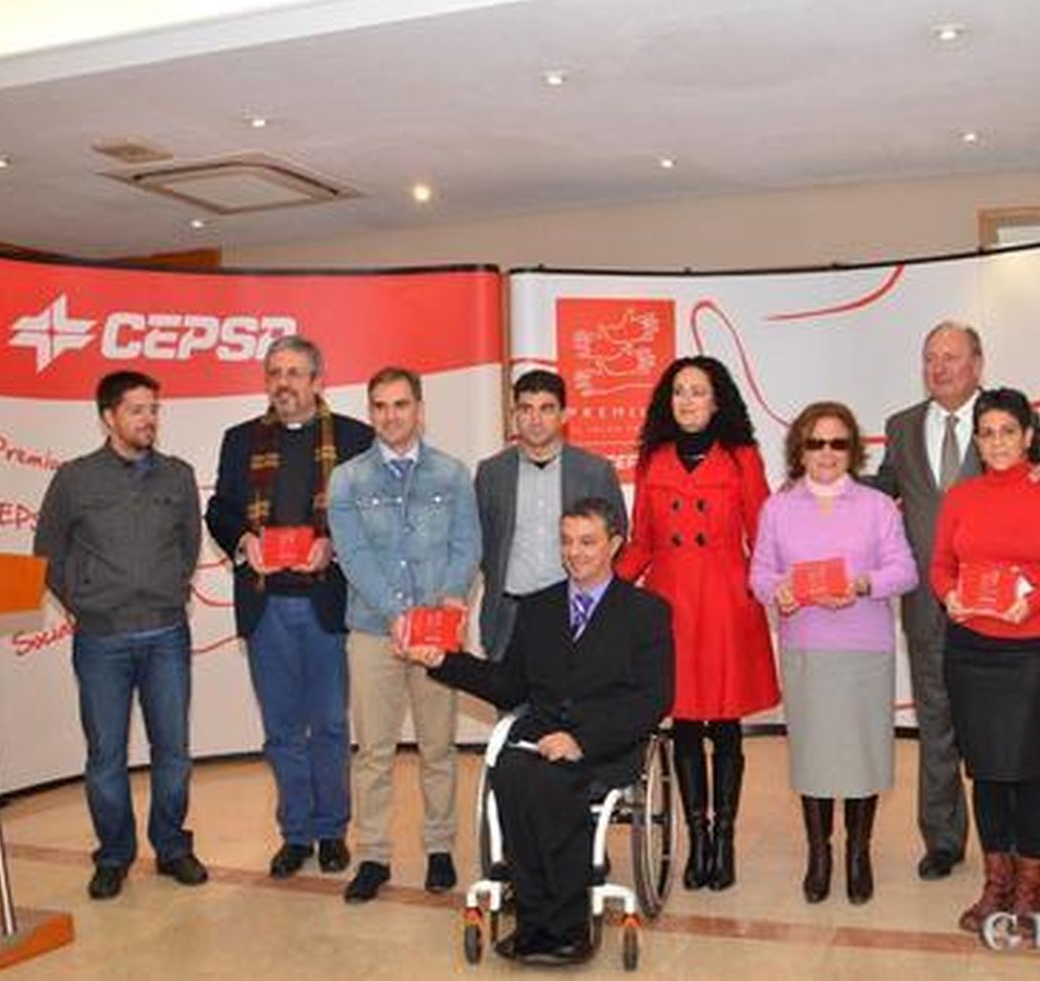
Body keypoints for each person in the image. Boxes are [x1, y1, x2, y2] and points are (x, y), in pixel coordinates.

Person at [402, 498, 673, 965]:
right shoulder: (538, 607)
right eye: (566, 542)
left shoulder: (644, 611)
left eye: (587, 542)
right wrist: (445, 661)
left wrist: (582, 741)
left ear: (614, 545)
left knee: (550, 782)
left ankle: (566, 926)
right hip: (540, 735)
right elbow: (508, 685)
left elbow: (652, 700)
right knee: (509, 771)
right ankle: (532, 917)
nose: (574, 553)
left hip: (605, 743)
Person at [930, 388, 1040, 936]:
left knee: (1027, 772)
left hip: (1031, 652)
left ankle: (1030, 891)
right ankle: (996, 885)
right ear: (977, 441)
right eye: (987, 433)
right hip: (969, 651)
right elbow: (940, 565)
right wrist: (950, 596)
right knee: (985, 772)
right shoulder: (961, 497)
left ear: (1028, 435)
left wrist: (1036, 600)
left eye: (1008, 431)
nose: (998, 442)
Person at [33, 370, 208, 900]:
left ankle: (172, 847)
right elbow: (47, 553)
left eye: (153, 409)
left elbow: (188, 546)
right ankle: (113, 855)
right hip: (101, 641)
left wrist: (166, 590)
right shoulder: (74, 479)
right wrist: (86, 601)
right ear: (109, 417)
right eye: (137, 410)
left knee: (173, 750)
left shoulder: (178, 476)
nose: (148, 419)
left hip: (166, 635)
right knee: (105, 754)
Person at [204, 335, 373, 879]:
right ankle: (295, 834)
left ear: (317, 380)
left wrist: (335, 544)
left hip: (327, 603)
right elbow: (219, 509)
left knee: (328, 726)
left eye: (295, 373)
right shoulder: (240, 439)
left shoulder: (354, 437)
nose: (284, 383)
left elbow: (371, 511)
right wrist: (242, 541)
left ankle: (332, 831)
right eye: (275, 373)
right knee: (281, 730)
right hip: (266, 604)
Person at [616, 355, 779, 892]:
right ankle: (698, 839)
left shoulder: (742, 457)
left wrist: (776, 586)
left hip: (727, 602)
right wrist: (604, 591)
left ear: (717, 400)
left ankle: (725, 839)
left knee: (726, 725)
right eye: (679, 391)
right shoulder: (653, 459)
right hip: (671, 604)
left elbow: (764, 535)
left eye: (698, 391)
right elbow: (641, 541)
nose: (687, 401)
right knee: (684, 723)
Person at [749, 402, 917, 905]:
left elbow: (905, 571)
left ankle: (858, 853)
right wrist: (778, 591)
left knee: (863, 756)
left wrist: (864, 584)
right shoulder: (778, 508)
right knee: (814, 757)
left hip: (864, 651)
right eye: (816, 442)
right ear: (800, 449)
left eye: (838, 443)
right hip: (807, 650)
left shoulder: (877, 506)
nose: (827, 453)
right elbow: (759, 574)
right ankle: (819, 854)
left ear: (853, 450)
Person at [326, 367, 480, 903]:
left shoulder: (452, 474)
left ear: (419, 409)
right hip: (374, 632)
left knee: (438, 747)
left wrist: (451, 594)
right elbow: (353, 555)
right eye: (380, 406)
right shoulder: (347, 479)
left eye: (400, 404)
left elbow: (467, 544)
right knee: (373, 751)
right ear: (370, 412)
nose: (390, 415)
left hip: (437, 632)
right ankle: (372, 856)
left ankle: (439, 849)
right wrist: (397, 615)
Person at [870, 320, 982, 880]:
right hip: (924, 605)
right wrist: (822, 485)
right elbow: (884, 490)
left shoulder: (1004, 418)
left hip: (994, 609)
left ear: (977, 365)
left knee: (992, 731)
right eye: (930, 357)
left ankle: (1006, 846)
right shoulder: (902, 426)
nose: (939, 367)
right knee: (935, 726)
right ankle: (942, 839)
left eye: (951, 357)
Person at [474, 369, 626, 660]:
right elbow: (481, 544)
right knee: (507, 691)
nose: (535, 419)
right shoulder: (491, 473)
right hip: (510, 614)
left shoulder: (595, 471)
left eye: (546, 409)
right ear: (514, 415)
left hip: (577, 612)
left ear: (564, 415)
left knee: (581, 690)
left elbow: (617, 536)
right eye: (526, 409)